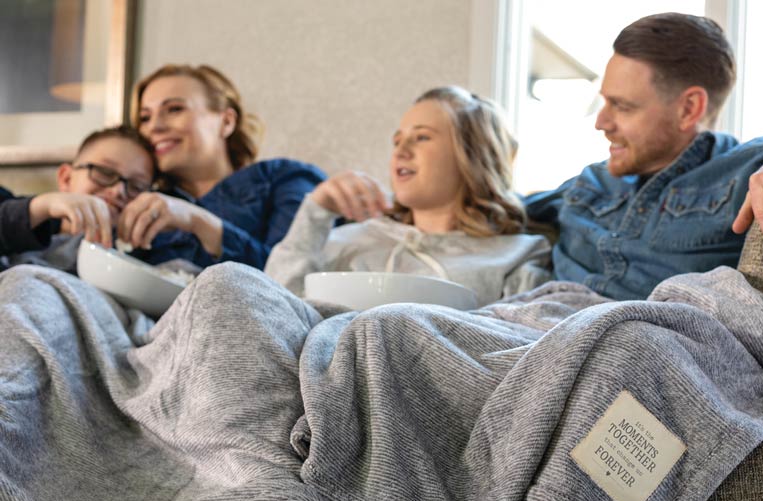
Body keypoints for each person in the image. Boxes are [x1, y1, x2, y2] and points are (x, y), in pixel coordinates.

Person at [525, 12, 763, 301]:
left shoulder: (752, 170)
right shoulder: (590, 181)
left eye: (621, 106)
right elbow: (493, 207)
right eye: (604, 102)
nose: (601, 122)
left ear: (689, 108)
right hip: (530, 326)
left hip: (634, 351)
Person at [265, 86, 551, 307]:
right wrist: (315, 213)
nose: (401, 151)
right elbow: (275, 316)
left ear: (476, 154)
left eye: (422, 137)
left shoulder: (518, 254)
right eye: (397, 141)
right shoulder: (348, 241)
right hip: (321, 376)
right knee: (229, 279)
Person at [120, 64, 326, 270]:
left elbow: (292, 278)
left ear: (226, 121)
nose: (154, 127)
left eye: (174, 109)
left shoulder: (285, 179)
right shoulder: (138, 199)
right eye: (144, 118)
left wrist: (198, 222)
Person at [0, 125, 155, 268]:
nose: (118, 191)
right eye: (105, 172)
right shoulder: (13, 210)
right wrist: (39, 208)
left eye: (137, 186)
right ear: (66, 178)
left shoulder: (148, 250)